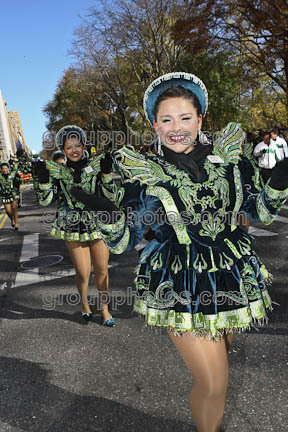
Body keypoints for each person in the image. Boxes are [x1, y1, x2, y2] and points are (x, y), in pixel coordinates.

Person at [71, 73, 288, 432]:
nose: (177, 128)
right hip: (180, 284)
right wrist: (102, 212)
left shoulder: (231, 162)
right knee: (214, 382)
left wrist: (278, 183)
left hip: (233, 277)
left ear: (200, 119)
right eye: (166, 120)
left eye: (185, 118)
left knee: (220, 362)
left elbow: (259, 213)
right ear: (155, 125)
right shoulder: (145, 176)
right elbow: (125, 241)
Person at [34, 125, 115, 326]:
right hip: (72, 225)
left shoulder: (96, 165)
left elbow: (110, 195)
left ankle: (104, 309)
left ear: (83, 145)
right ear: (63, 149)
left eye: (77, 145)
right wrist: (43, 182)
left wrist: (106, 175)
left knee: (102, 269)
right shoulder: (58, 172)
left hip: (97, 221)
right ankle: (84, 304)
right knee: (83, 272)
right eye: (69, 147)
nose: (74, 150)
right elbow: (46, 201)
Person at [0, 161, 20, 230]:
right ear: (1, 169)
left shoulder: (12, 174)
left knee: (14, 208)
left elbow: (15, 170)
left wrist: (16, 164)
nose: (4, 170)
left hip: (13, 193)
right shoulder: (0, 177)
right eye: (3, 168)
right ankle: (12, 219)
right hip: (5, 195)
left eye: (6, 168)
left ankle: (16, 223)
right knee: (8, 211)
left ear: (8, 169)